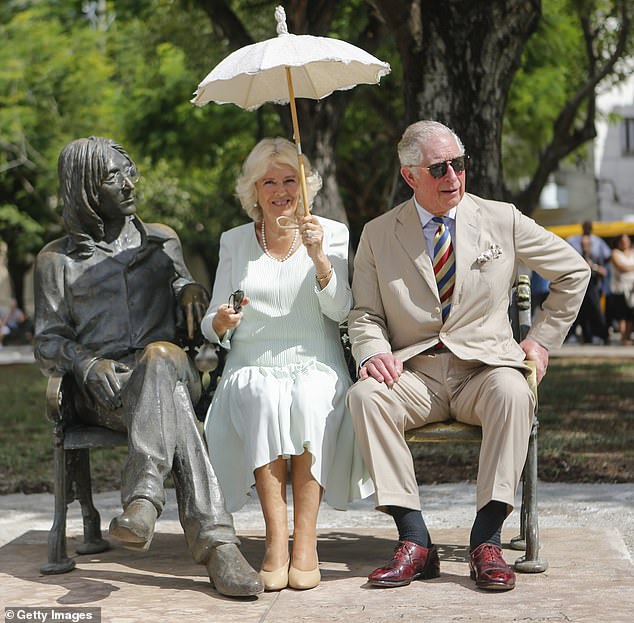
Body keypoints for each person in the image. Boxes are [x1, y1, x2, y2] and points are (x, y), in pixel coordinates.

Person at [346, 120, 590, 592]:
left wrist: (539, 340)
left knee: (514, 392)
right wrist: (373, 352)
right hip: (416, 375)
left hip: (485, 370)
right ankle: (414, 541)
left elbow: (574, 272)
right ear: (409, 176)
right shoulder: (377, 234)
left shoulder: (503, 218)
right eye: (439, 168)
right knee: (365, 397)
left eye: (459, 164)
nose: (453, 177)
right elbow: (365, 314)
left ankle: (487, 541)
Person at [33, 136, 263, 598]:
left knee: (159, 358)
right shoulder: (55, 261)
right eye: (113, 176)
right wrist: (85, 362)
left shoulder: (162, 241)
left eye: (128, 170)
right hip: (107, 392)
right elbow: (47, 340)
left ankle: (143, 499)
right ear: (84, 189)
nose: (129, 182)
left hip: (170, 364)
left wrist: (190, 292)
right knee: (171, 404)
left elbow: (183, 288)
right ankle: (218, 545)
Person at [201, 137, 373, 592]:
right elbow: (212, 320)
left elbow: (341, 310)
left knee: (311, 396)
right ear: (254, 191)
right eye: (269, 181)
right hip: (252, 360)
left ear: (305, 185)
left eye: (290, 179)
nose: (281, 190)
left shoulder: (331, 232)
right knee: (262, 395)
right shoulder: (235, 241)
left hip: (315, 359)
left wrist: (320, 259)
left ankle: (306, 545)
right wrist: (219, 320)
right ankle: (277, 543)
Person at [566, 221, 611, 344]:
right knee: (580, 310)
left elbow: (606, 259)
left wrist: (595, 267)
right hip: (580, 281)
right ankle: (584, 336)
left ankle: (601, 335)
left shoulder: (597, 242)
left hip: (593, 282)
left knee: (594, 309)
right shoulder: (574, 240)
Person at [606, 234, 634, 345]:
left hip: (632, 289)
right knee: (622, 314)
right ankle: (623, 337)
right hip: (620, 288)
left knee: (630, 315)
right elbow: (621, 267)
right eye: (622, 241)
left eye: (626, 241)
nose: (625, 243)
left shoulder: (632, 252)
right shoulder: (615, 253)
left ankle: (627, 337)